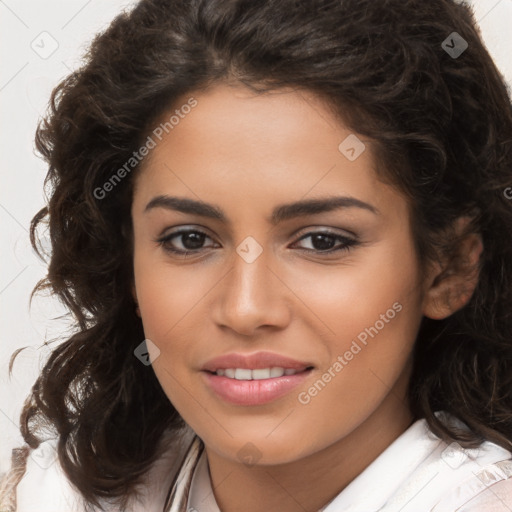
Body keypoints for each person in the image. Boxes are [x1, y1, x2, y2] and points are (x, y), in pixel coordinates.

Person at [1, 0, 512, 510]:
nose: (245, 309)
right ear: (127, 261)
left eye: (322, 241)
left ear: (448, 267)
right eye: (190, 239)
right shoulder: (51, 497)